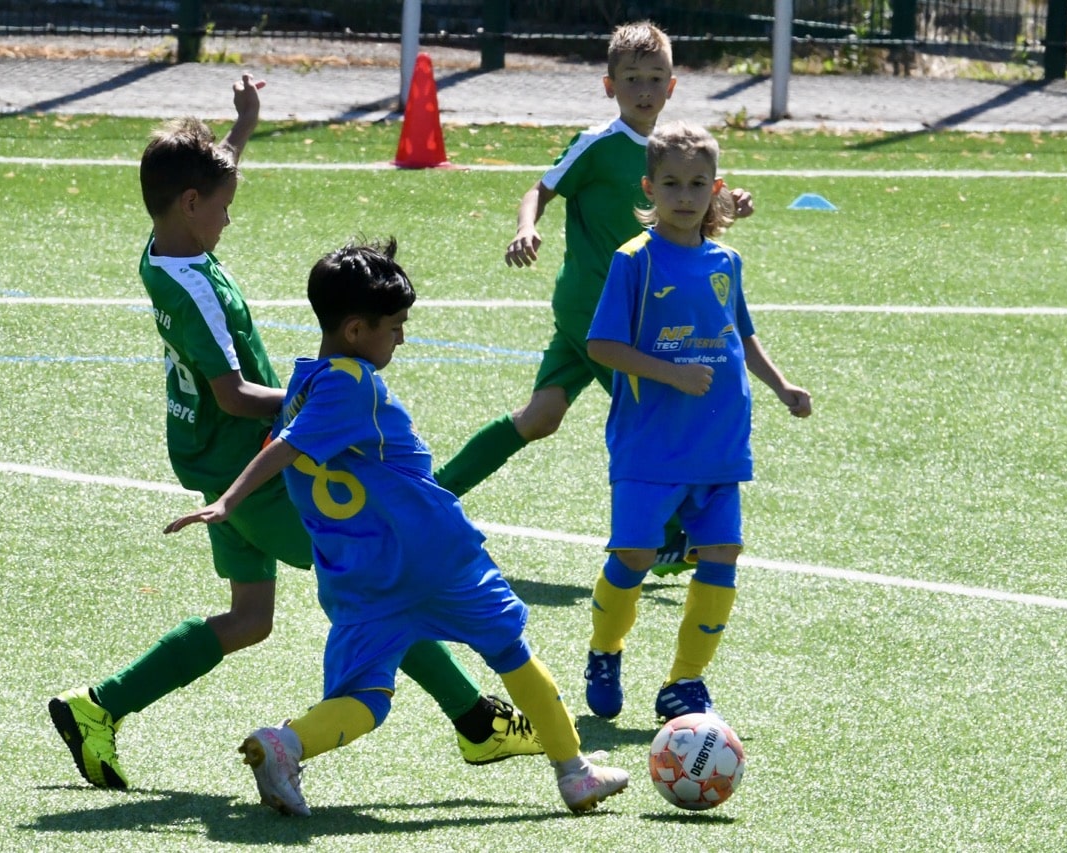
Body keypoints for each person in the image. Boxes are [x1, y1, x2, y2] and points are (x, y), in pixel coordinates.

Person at [47, 75, 541, 792]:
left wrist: (240, 128)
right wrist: (331, 394)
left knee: (250, 619)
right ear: (191, 205)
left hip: (218, 470)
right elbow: (234, 393)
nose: (229, 219)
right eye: (223, 208)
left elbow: (204, 182)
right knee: (381, 579)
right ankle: (478, 722)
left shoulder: (165, 246)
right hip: (258, 469)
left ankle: (100, 705)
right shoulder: (195, 291)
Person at [163, 238, 630, 816]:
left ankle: (287, 744)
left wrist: (232, 498)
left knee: (365, 699)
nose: (402, 336)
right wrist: (230, 501)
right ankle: (575, 773)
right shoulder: (350, 384)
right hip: (431, 559)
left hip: (361, 579)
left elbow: (289, 438)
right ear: (356, 330)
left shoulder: (303, 385)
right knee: (509, 648)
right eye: (395, 325)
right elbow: (286, 448)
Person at [431, 20, 753, 576]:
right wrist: (526, 228)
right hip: (599, 319)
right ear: (610, 86)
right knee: (654, 412)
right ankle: (674, 534)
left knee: (540, 417)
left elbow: (692, 216)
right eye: (632, 79)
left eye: (655, 78)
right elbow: (540, 187)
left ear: (672, 86)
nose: (645, 90)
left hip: (631, 316)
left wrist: (731, 206)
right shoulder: (599, 145)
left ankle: (433, 495)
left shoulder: (672, 153)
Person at [581, 121, 812, 722]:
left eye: (698, 184)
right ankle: (605, 650)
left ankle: (684, 682)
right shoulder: (634, 261)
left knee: (723, 552)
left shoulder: (726, 260)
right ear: (649, 187)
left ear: (716, 189)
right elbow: (603, 346)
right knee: (632, 557)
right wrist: (671, 372)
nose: (685, 196)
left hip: (718, 442)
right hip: (650, 447)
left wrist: (782, 386)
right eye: (673, 184)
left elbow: (744, 336)